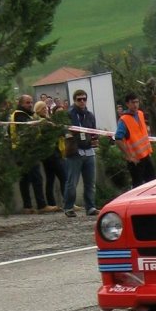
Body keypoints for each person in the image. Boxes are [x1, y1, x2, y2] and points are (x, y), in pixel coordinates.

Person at [63, 89, 99, 217]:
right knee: (72, 182)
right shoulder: (69, 115)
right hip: (75, 151)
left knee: (90, 182)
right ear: (74, 100)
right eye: (79, 99)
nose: (82, 101)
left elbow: (94, 132)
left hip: (89, 151)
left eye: (84, 99)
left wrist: (95, 140)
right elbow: (63, 130)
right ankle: (68, 207)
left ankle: (90, 207)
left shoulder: (89, 115)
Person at [10, 94, 48, 214]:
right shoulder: (19, 115)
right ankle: (41, 205)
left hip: (21, 151)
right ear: (21, 104)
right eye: (27, 102)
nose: (30, 104)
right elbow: (26, 131)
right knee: (36, 178)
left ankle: (28, 206)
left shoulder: (25, 115)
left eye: (31, 102)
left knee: (25, 179)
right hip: (26, 151)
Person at [114, 92, 156, 188]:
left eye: (137, 102)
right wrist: (129, 156)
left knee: (152, 183)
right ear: (127, 104)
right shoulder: (124, 120)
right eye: (133, 102)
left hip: (146, 156)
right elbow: (118, 139)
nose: (135, 105)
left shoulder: (140, 114)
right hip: (136, 160)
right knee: (138, 186)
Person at [34, 101, 65, 211]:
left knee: (50, 179)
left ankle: (52, 203)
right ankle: (67, 201)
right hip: (50, 153)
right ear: (38, 109)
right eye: (43, 108)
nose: (45, 109)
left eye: (45, 108)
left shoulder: (47, 119)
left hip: (50, 152)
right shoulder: (41, 121)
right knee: (63, 176)